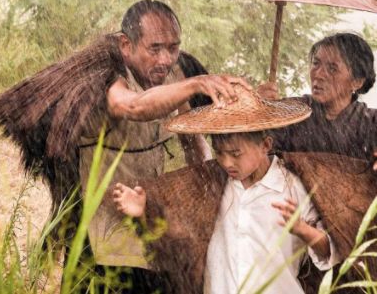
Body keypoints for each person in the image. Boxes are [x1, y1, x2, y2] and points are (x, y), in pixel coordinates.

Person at [0, 0, 250, 292]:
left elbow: (195, 127)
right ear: (126, 45)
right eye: (155, 48)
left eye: (173, 48)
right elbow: (133, 107)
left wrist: (200, 183)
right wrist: (196, 84)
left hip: (147, 216)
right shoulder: (106, 76)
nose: (165, 59)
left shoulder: (178, 71)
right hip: (100, 227)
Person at [111, 84, 339, 294]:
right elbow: (182, 238)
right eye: (219, 152)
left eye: (236, 153)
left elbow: (328, 251)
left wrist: (302, 229)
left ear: (265, 145)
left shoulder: (293, 186)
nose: (227, 162)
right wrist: (143, 212)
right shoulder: (209, 185)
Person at [259, 32, 377, 168]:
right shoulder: (290, 113)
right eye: (316, 63)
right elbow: (256, 152)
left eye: (333, 69)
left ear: (357, 82)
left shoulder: (372, 124)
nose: (318, 74)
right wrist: (258, 110)